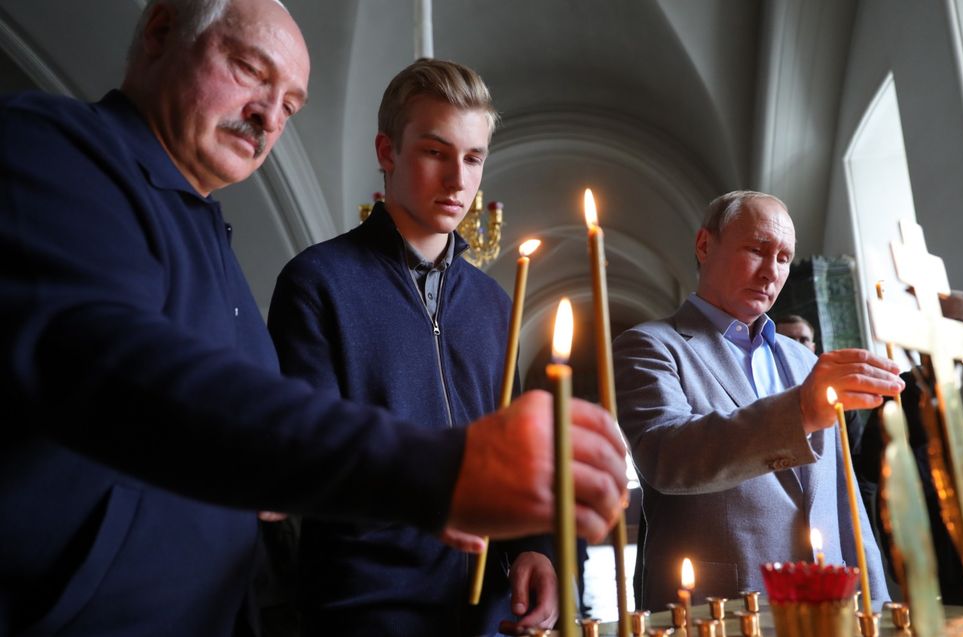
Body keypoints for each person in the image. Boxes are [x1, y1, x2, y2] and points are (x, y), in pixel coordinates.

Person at [0, 1, 628, 635]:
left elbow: (262, 461)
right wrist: (440, 470)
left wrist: (535, 546)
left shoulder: (211, 237)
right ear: (162, 32)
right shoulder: (54, 145)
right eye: (249, 70)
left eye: (292, 104)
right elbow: (122, 372)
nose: (269, 116)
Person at [267, 59, 555, 636]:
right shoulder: (317, 282)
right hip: (365, 609)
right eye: (434, 152)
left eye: (473, 159)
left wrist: (536, 548)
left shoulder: (497, 303)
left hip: (488, 612)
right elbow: (308, 458)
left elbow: (518, 450)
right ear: (387, 151)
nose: (458, 180)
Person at [613, 190, 901, 611]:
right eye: (757, 250)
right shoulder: (650, 346)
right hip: (720, 601)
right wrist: (799, 413)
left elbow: (845, 497)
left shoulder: (805, 360)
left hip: (829, 601)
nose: (771, 272)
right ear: (704, 245)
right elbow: (665, 454)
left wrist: (877, 604)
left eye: (783, 258)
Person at [857, 289, 963, 605]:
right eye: (936, 324)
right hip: (945, 551)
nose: (947, 335)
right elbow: (874, 467)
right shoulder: (903, 392)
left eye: (959, 324)